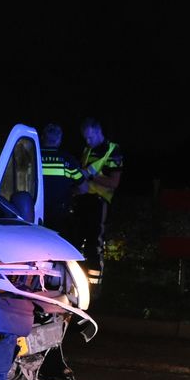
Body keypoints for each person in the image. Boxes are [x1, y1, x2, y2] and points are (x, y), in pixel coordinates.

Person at [72, 117, 124, 295]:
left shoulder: (112, 151)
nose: (87, 141)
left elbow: (114, 182)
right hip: (83, 199)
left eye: (90, 137)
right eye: (85, 138)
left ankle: (95, 288)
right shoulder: (88, 149)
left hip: (99, 202)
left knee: (95, 244)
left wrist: (91, 177)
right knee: (77, 242)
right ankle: (76, 283)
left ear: (99, 132)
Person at [40, 122, 88, 238]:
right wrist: (71, 192)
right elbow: (84, 188)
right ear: (59, 140)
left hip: (35, 213)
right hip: (60, 215)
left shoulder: (32, 157)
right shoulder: (68, 160)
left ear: (42, 138)